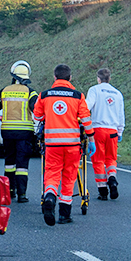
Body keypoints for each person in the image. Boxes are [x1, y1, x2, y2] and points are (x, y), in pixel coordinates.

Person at [32, 64, 93, 226]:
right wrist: (91, 138)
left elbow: (37, 118)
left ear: (54, 77)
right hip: (73, 145)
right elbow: (86, 119)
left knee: (52, 174)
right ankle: (64, 214)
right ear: (70, 78)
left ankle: (50, 197)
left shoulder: (44, 95)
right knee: (69, 177)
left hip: (52, 145)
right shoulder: (78, 96)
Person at [0, 60, 40, 203]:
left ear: (13, 75)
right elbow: (38, 111)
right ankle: (22, 194)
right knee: (22, 165)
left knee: (9, 162)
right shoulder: (30, 93)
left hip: (7, 132)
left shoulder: (4, 91)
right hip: (25, 132)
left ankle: (9, 191)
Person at [86, 67, 125, 200]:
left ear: (98, 79)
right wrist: (120, 131)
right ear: (109, 78)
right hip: (113, 131)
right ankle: (112, 179)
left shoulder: (94, 90)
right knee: (111, 159)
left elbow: (87, 107)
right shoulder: (117, 93)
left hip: (98, 130)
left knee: (98, 161)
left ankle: (103, 191)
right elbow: (121, 116)